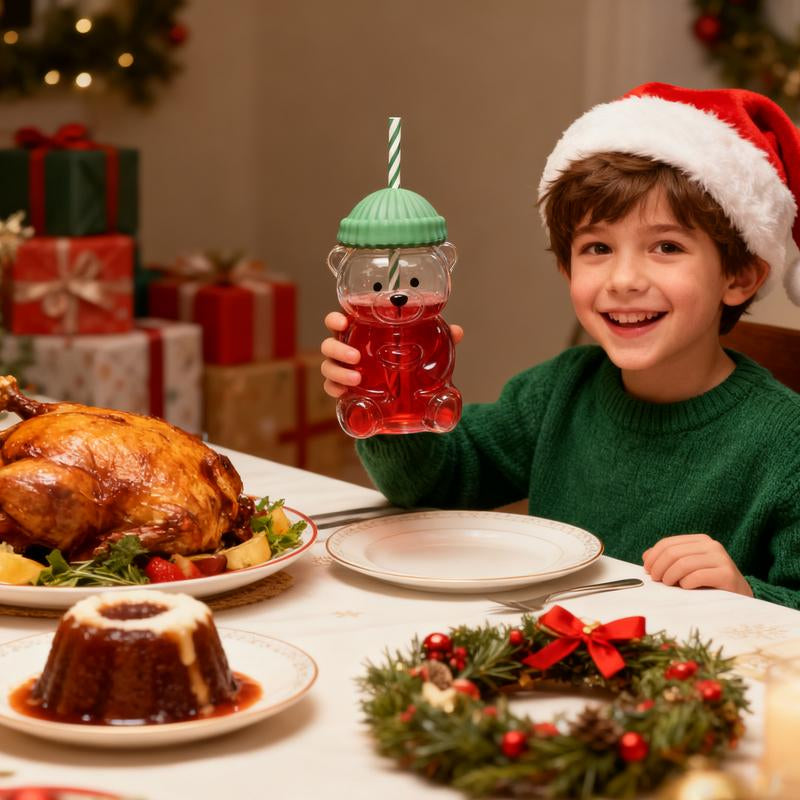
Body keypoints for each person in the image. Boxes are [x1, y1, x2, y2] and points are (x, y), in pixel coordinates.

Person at [320, 83, 800, 610]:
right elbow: (435, 483)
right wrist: (390, 405)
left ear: (740, 276)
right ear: (566, 267)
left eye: (666, 246)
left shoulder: (785, 443)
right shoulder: (559, 391)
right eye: (598, 247)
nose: (623, 279)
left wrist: (746, 592)